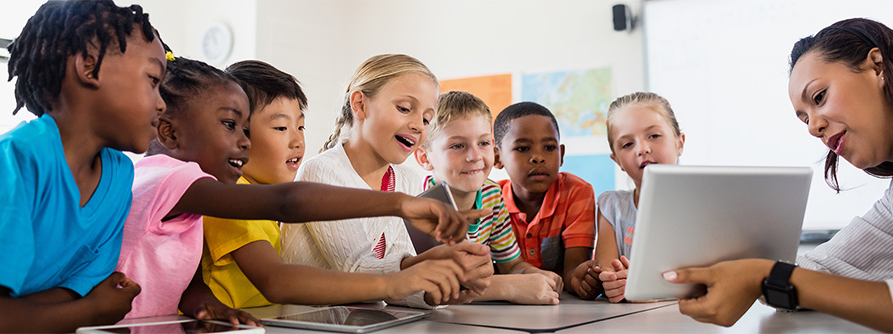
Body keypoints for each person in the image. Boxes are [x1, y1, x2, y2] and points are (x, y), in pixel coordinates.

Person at [120, 55, 479, 321]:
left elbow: (186, 275)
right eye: (231, 126)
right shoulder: (178, 181)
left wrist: (202, 303)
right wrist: (398, 220)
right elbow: (286, 214)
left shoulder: (204, 196)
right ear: (168, 132)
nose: (242, 141)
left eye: (300, 127)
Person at [0, 1, 165, 332]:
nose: (161, 103)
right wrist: (92, 311)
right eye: (153, 79)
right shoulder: (15, 159)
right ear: (89, 66)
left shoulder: (119, 177)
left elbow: (67, 295)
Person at [664, 18, 893, 333]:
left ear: (877, 66)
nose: (813, 127)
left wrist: (760, 275)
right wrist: (725, 271)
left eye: (819, 97)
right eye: (804, 118)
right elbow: (817, 269)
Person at [281, 54, 495, 308]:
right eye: (404, 109)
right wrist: (423, 269)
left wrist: (440, 287)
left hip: (367, 324)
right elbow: (356, 271)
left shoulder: (407, 180)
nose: (418, 125)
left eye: (427, 119)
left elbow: (399, 283)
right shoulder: (322, 172)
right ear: (360, 105)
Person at [412, 91, 563, 304]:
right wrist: (511, 287)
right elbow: (436, 286)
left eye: (483, 143)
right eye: (457, 146)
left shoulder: (492, 195)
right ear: (425, 158)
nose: (475, 156)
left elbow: (511, 264)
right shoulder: (418, 205)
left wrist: (534, 275)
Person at [492, 101, 597, 296]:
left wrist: (581, 280)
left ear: (561, 154)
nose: (538, 158)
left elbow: (573, 269)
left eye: (549, 147)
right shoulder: (489, 201)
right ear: (497, 157)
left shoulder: (577, 193)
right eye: (523, 149)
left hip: (557, 304)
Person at [590, 92, 686, 303]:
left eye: (654, 136)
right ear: (617, 161)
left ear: (680, 142)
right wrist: (616, 284)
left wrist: (645, 287)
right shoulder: (611, 207)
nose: (642, 149)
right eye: (627, 144)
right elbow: (609, 274)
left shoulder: (705, 206)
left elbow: (713, 279)